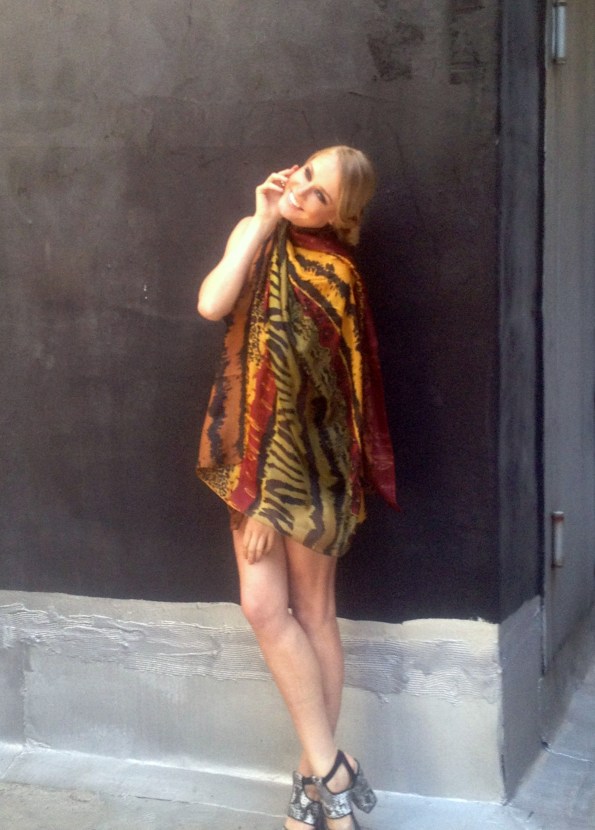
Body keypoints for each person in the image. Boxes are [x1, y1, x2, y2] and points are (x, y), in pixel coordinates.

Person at [196, 146, 397, 830]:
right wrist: (259, 221)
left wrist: (271, 501)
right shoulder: (255, 234)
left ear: (338, 217)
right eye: (306, 174)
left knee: (313, 614)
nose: (302, 191)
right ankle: (331, 770)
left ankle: (314, 788)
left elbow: (317, 397)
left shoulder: (338, 276)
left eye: (319, 195)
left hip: (315, 466)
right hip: (247, 458)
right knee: (263, 608)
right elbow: (211, 303)